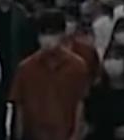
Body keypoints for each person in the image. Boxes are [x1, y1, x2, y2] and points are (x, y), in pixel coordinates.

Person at [15, 10, 94, 140]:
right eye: (43, 33)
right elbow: (20, 108)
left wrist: (75, 135)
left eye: (52, 33)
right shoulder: (26, 68)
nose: (47, 39)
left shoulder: (77, 66)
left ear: (62, 34)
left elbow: (80, 103)